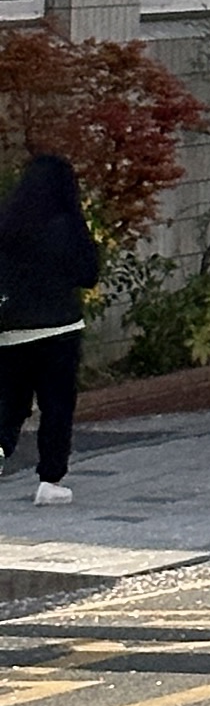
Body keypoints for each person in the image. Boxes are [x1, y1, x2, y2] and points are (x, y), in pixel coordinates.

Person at [0, 151, 100, 505]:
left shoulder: (7, 224)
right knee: (56, 407)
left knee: (10, 404)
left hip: (11, 330)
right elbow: (89, 273)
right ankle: (50, 479)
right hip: (60, 329)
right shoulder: (65, 224)